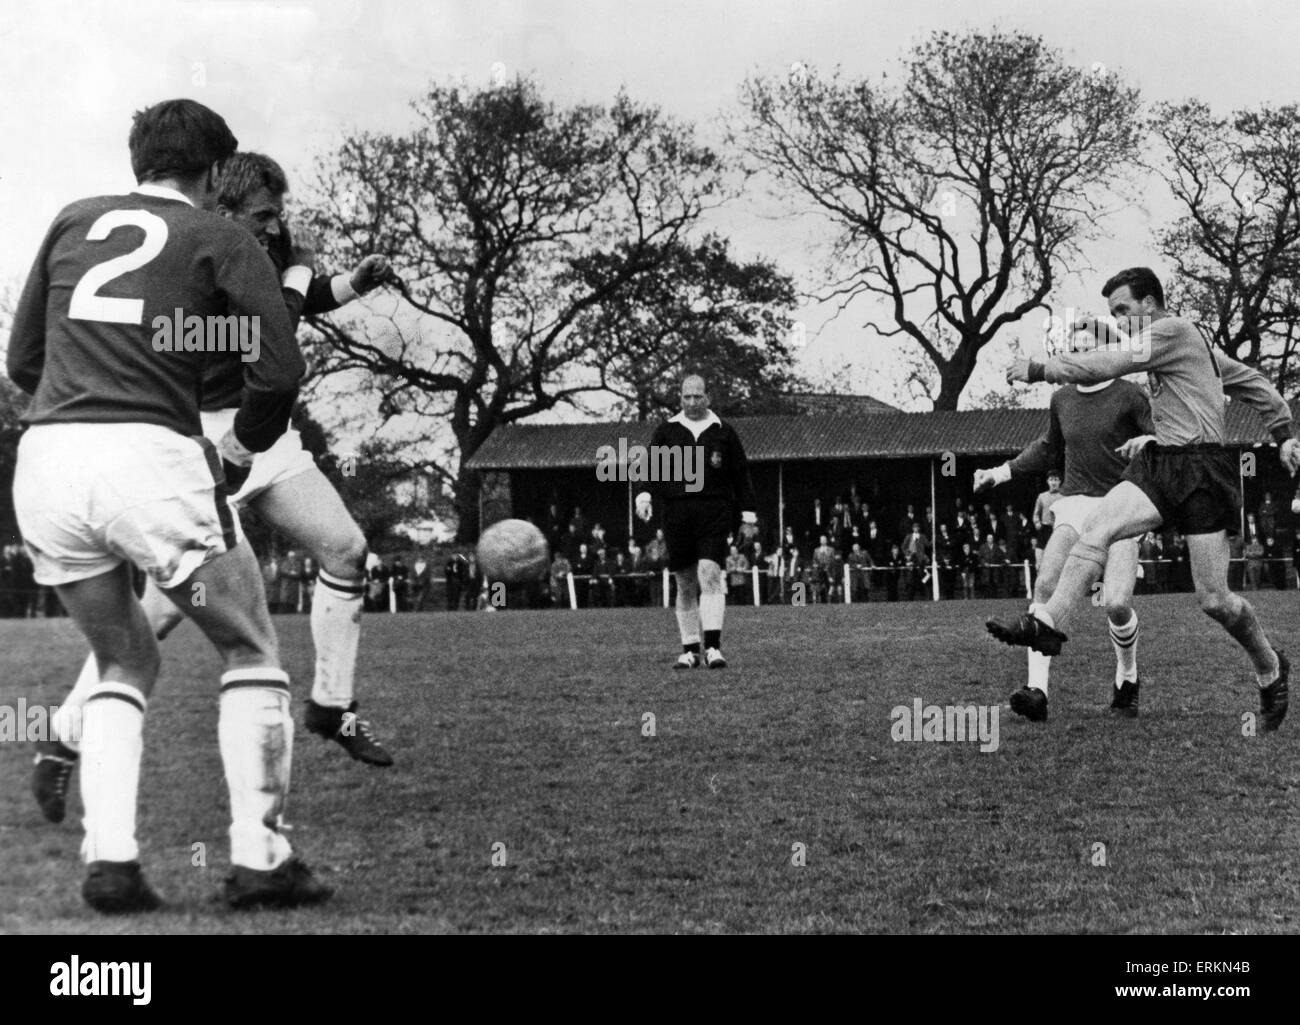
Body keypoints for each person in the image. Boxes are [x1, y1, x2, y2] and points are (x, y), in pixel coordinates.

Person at [11, 99, 328, 910]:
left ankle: (111, 862)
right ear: (218, 172)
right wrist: (244, 446)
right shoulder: (223, 236)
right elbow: (279, 369)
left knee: (124, 658)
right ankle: (262, 859)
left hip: (47, 459)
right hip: (149, 455)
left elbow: (22, 361)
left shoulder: (72, 217)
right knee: (252, 647)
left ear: (138, 161)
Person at [44, 152, 394, 775]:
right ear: (222, 208)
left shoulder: (251, 247)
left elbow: (300, 296)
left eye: (278, 217)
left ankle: (331, 705)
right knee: (161, 610)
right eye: (264, 216)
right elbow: (270, 336)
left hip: (264, 434)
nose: (275, 229)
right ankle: (65, 735)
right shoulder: (197, 259)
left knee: (345, 549)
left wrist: (350, 284)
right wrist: (297, 274)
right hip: (205, 445)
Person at [993, 266, 1297, 731]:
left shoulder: (1171, 331)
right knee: (1099, 526)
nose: (1118, 318)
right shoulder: (1182, 348)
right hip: (1163, 465)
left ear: (1149, 305)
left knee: (1215, 600)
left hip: (1203, 471)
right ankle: (1048, 623)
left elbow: (1109, 364)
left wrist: (1040, 369)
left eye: (1123, 309)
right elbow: (1249, 380)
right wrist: (1283, 431)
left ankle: (1270, 666)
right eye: (1112, 312)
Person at [975, 361, 1155, 720]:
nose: (1083, 353)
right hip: (1075, 505)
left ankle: (1128, 679)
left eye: (1092, 347)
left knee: (1117, 604)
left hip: (1121, 504)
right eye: (1076, 347)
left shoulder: (1132, 394)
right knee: (1044, 585)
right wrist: (997, 474)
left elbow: (1161, 443)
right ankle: (1037, 692)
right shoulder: (1062, 399)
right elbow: (1047, 449)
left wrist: (1150, 445)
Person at [635, 374, 757, 669]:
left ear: (707, 398)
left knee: (710, 572)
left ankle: (713, 648)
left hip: (714, 510)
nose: (692, 402)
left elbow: (741, 476)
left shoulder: (724, 432)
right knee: (685, 582)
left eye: (697, 397)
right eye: (686, 397)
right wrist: (644, 495)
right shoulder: (667, 431)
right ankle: (689, 649)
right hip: (676, 512)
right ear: (680, 399)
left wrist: (748, 517)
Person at [1033, 470, 1062, 570]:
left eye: (1056, 479)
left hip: (1059, 529)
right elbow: (1036, 513)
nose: (1053, 482)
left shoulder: (1064, 496)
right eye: (1051, 480)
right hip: (1044, 528)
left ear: (1059, 482)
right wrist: (1037, 522)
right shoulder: (1042, 496)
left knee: (1058, 557)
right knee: (1040, 558)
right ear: (1047, 482)